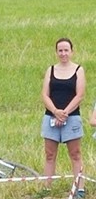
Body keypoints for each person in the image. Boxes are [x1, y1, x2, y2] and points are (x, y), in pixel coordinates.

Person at [41, 37, 86, 190]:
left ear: (71, 52)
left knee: (75, 153)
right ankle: (47, 188)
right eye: (60, 50)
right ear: (56, 52)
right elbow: (45, 95)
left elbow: (79, 95)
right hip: (51, 117)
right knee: (49, 154)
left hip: (71, 117)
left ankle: (79, 188)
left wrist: (65, 113)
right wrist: (55, 111)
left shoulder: (78, 70)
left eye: (66, 50)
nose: (63, 53)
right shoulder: (51, 70)